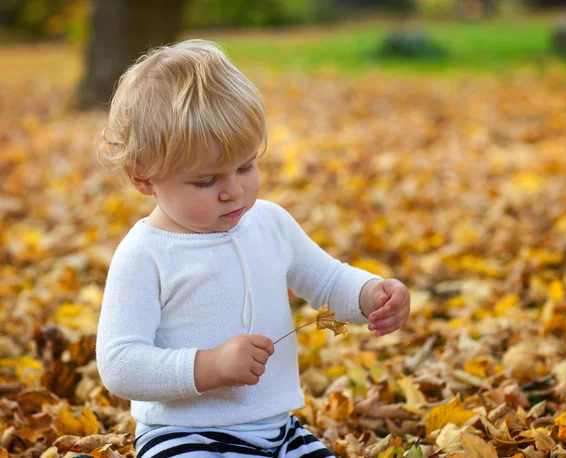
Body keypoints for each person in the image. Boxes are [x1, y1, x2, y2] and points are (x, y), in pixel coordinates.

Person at [95, 39, 411, 458]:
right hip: (184, 436)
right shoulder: (145, 254)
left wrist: (372, 294)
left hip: (278, 431)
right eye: (206, 181)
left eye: (246, 166)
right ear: (143, 177)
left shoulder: (270, 223)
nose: (234, 191)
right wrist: (208, 366)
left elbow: (328, 280)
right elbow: (120, 364)